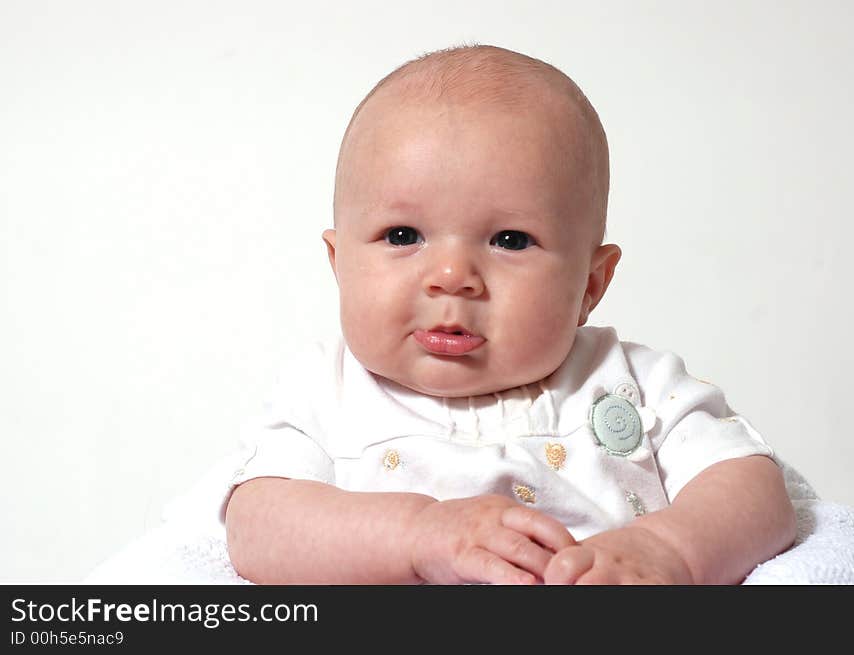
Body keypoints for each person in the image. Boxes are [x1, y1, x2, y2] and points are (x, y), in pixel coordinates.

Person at [222, 44, 796, 585]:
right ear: (339, 262)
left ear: (590, 285)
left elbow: (753, 489)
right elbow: (256, 527)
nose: (451, 276)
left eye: (510, 239)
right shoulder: (327, 392)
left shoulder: (631, 384)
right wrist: (415, 534)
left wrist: (669, 549)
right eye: (403, 235)